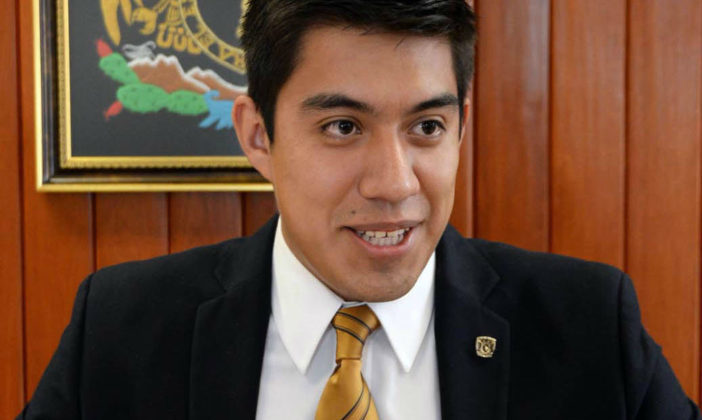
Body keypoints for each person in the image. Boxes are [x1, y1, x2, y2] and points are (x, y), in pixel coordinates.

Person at [19, 1, 700, 419]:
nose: (393, 183)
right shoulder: (120, 330)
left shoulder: (589, 326)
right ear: (258, 136)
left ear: (461, 127)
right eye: (343, 127)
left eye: (427, 127)